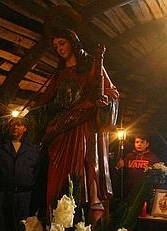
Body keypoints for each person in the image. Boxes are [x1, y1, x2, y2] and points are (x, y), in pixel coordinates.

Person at [33, 29, 119, 221]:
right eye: (55, 46)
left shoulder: (92, 66)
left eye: (62, 43)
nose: (59, 49)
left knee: (84, 176)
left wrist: (104, 103)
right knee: (57, 181)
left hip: (83, 130)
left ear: (72, 42)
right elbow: (45, 102)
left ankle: (85, 224)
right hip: (62, 131)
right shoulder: (60, 74)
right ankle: (56, 223)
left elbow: (112, 93)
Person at [0, 117, 39, 231]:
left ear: (25, 128)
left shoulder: (32, 149)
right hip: (1, 196)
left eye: (19, 125)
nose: (15, 127)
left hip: (23, 198)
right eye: (13, 124)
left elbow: (35, 172)